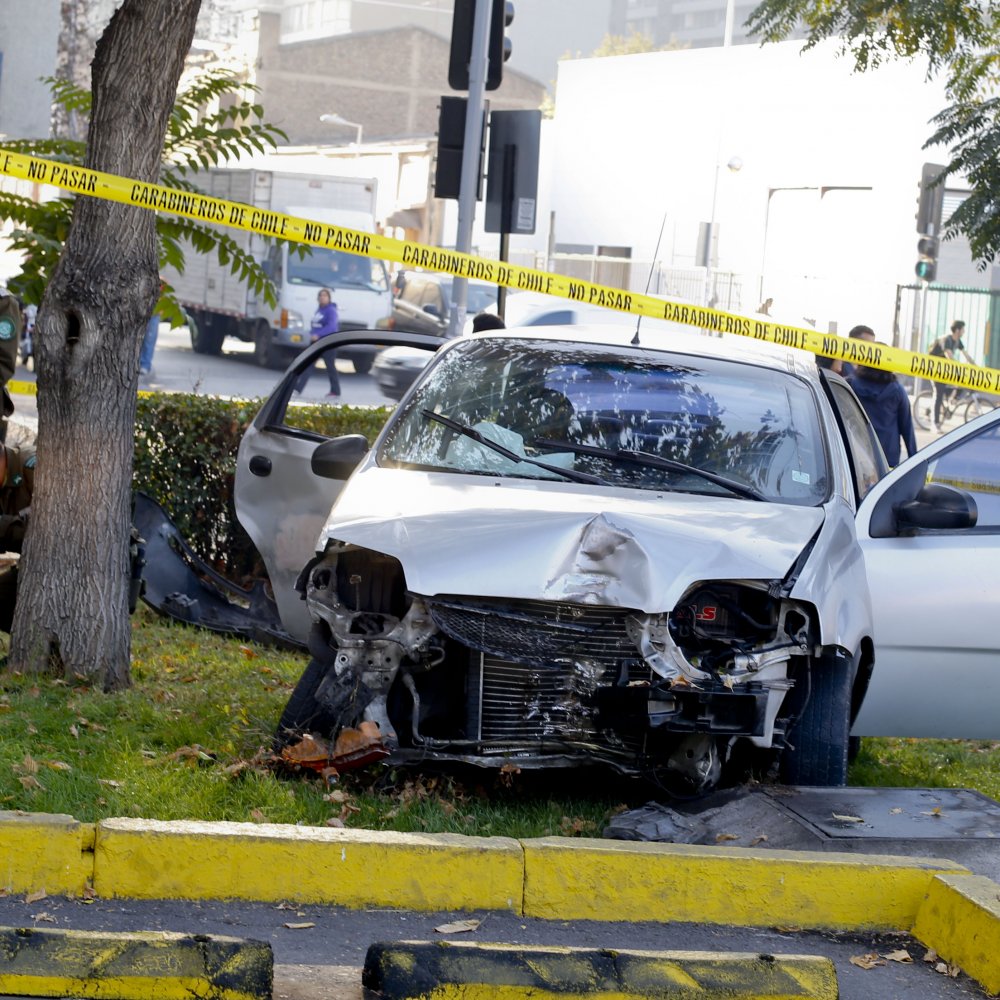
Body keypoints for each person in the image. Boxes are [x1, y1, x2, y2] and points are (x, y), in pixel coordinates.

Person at [847, 356, 917, 467]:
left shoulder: (851, 385)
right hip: (887, 457)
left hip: (857, 454)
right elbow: (907, 427)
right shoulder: (897, 391)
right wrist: (914, 459)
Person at [0, 441, 35, 633]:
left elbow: (53, 528)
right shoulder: (3, 480)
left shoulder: (34, 465)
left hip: (79, 570)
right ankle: (24, 653)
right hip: (36, 566)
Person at [928, 320, 975, 431]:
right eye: (963, 329)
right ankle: (935, 424)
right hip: (934, 369)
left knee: (961, 384)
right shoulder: (946, 339)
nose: (964, 332)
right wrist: (960, 366)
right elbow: (949, 356)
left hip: (945, 371)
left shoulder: (958, 341)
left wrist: (976, 367)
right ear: (957, 330)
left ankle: (951, 399)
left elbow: (966, 355)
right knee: (938, 394)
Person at [295, 287, 340, 398]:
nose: (322, 298)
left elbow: (332, 327)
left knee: (330, 367)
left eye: (325, 296)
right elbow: (316, 324)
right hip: (316, 342)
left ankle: (335, 391)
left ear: (329, 298)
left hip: (327, 342)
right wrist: (312, 333)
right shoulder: (319, 310)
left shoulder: (331, 311)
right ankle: (298, 389)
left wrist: (318, 334)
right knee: (308, 365)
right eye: (320, 296)